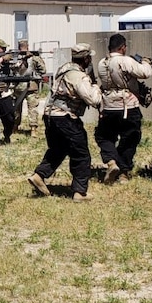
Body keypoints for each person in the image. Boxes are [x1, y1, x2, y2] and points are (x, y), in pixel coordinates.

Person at [27, 43, 102, 202]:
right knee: (81, 154)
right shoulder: (79, 76)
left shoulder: (65, 69)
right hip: (65, 118)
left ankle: (39, 176)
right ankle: (80, 192)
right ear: (86, 58)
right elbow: (93, 99)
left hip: (50, 116)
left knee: (59, 149)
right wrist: (95, 86)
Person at [95, 33, 152, 183]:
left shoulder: (102, 62)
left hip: (108, 106)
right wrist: (145, 62)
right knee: (130, 138)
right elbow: (145, 73)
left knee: (104, 137)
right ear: (122, 47)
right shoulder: (125, 60)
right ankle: (124, 171)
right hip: (128, 106)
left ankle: (112, 162)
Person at [12, 39, 46, 136]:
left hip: (30, 86)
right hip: (19, 86)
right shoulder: (16, 57)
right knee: (16, 109)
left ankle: (33, 129)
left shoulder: (34, 58)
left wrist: (35, 58)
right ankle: (15, 127)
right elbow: (13, 68)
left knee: (32, 108)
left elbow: (43, 70)